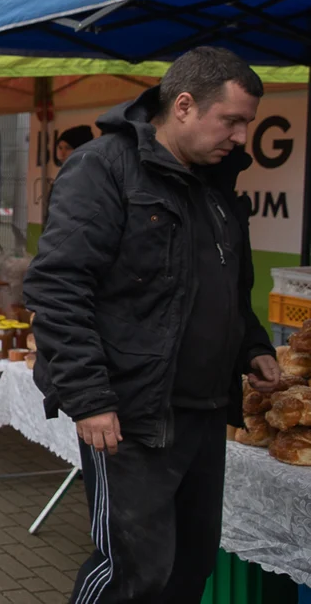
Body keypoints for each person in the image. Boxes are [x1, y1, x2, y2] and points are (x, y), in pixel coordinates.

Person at [24, 46, 283, 603]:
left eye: (248, 124)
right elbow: (59, 287)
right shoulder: (104, 167)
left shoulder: (216, 184)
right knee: (131, 573)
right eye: (232, 120)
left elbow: (225, 289)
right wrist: (90, 397)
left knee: (189, 567)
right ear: (184, 105)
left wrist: (253, 347)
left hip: (207, 414)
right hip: (132, 414)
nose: (242, 138)